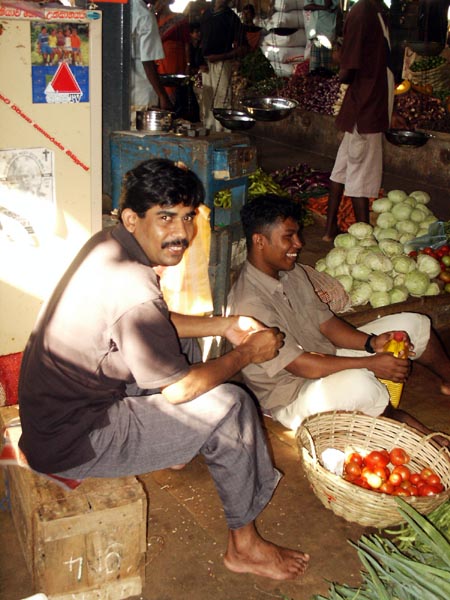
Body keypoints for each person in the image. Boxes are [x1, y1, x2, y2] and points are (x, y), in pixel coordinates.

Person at [17, 159, 310, 581]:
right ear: (133, 219)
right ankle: (244, 547)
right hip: (76, 440)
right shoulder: (132, 284)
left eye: (189, 216)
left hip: (58, 417)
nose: (181, 233)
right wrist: (246, 354)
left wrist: (225, 326)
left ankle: (174, 445)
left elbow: (148, 322)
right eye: (166, 217)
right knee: (231, 404)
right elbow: (179, 389)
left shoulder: (108, 244)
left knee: (186, 342)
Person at [228, 194, 450, 434]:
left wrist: (371, 342)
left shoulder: (291, 272)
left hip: (324, 355)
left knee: (414, 324)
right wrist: (370, 363)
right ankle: (418, 435)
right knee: (361, 384)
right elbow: (300, 365)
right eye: (288, 237)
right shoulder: (249, 303)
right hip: (292, 394)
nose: (299, 243)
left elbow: (327, 324)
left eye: (297, 234)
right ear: (260, 241)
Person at [322, 0, 405, 241]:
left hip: (368, 105)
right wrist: (338, 60)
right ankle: (364, 238)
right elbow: (348, 72)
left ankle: (329, 230)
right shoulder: (364, 12)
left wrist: (391, 110)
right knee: (361, 176)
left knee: (342, 170)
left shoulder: (375, 12)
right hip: (366, 108)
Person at [200, 0, 248, 131]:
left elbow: (243, 48)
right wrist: (200, 61)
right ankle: (209, 129)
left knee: (223, 99)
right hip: (206, 64)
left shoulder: (231, 17)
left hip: (222, 63)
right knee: (207, 99)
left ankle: (223, 132)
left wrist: (222, 56)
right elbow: (200, 40)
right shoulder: (206, 15)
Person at [131, 0, 173, 129]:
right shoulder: (145, 16)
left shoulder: (125, 8)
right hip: (142, 92)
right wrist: (162, 95)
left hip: (125, 89)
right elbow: (147, 61)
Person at [303, 0, 339, 75]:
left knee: (325, 67)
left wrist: (317, 7)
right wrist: (322, 8)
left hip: (326, 33)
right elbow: (306, 6)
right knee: (314, 66)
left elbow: (329, 5)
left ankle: (325, 84)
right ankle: (315, 83)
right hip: (315, 32)